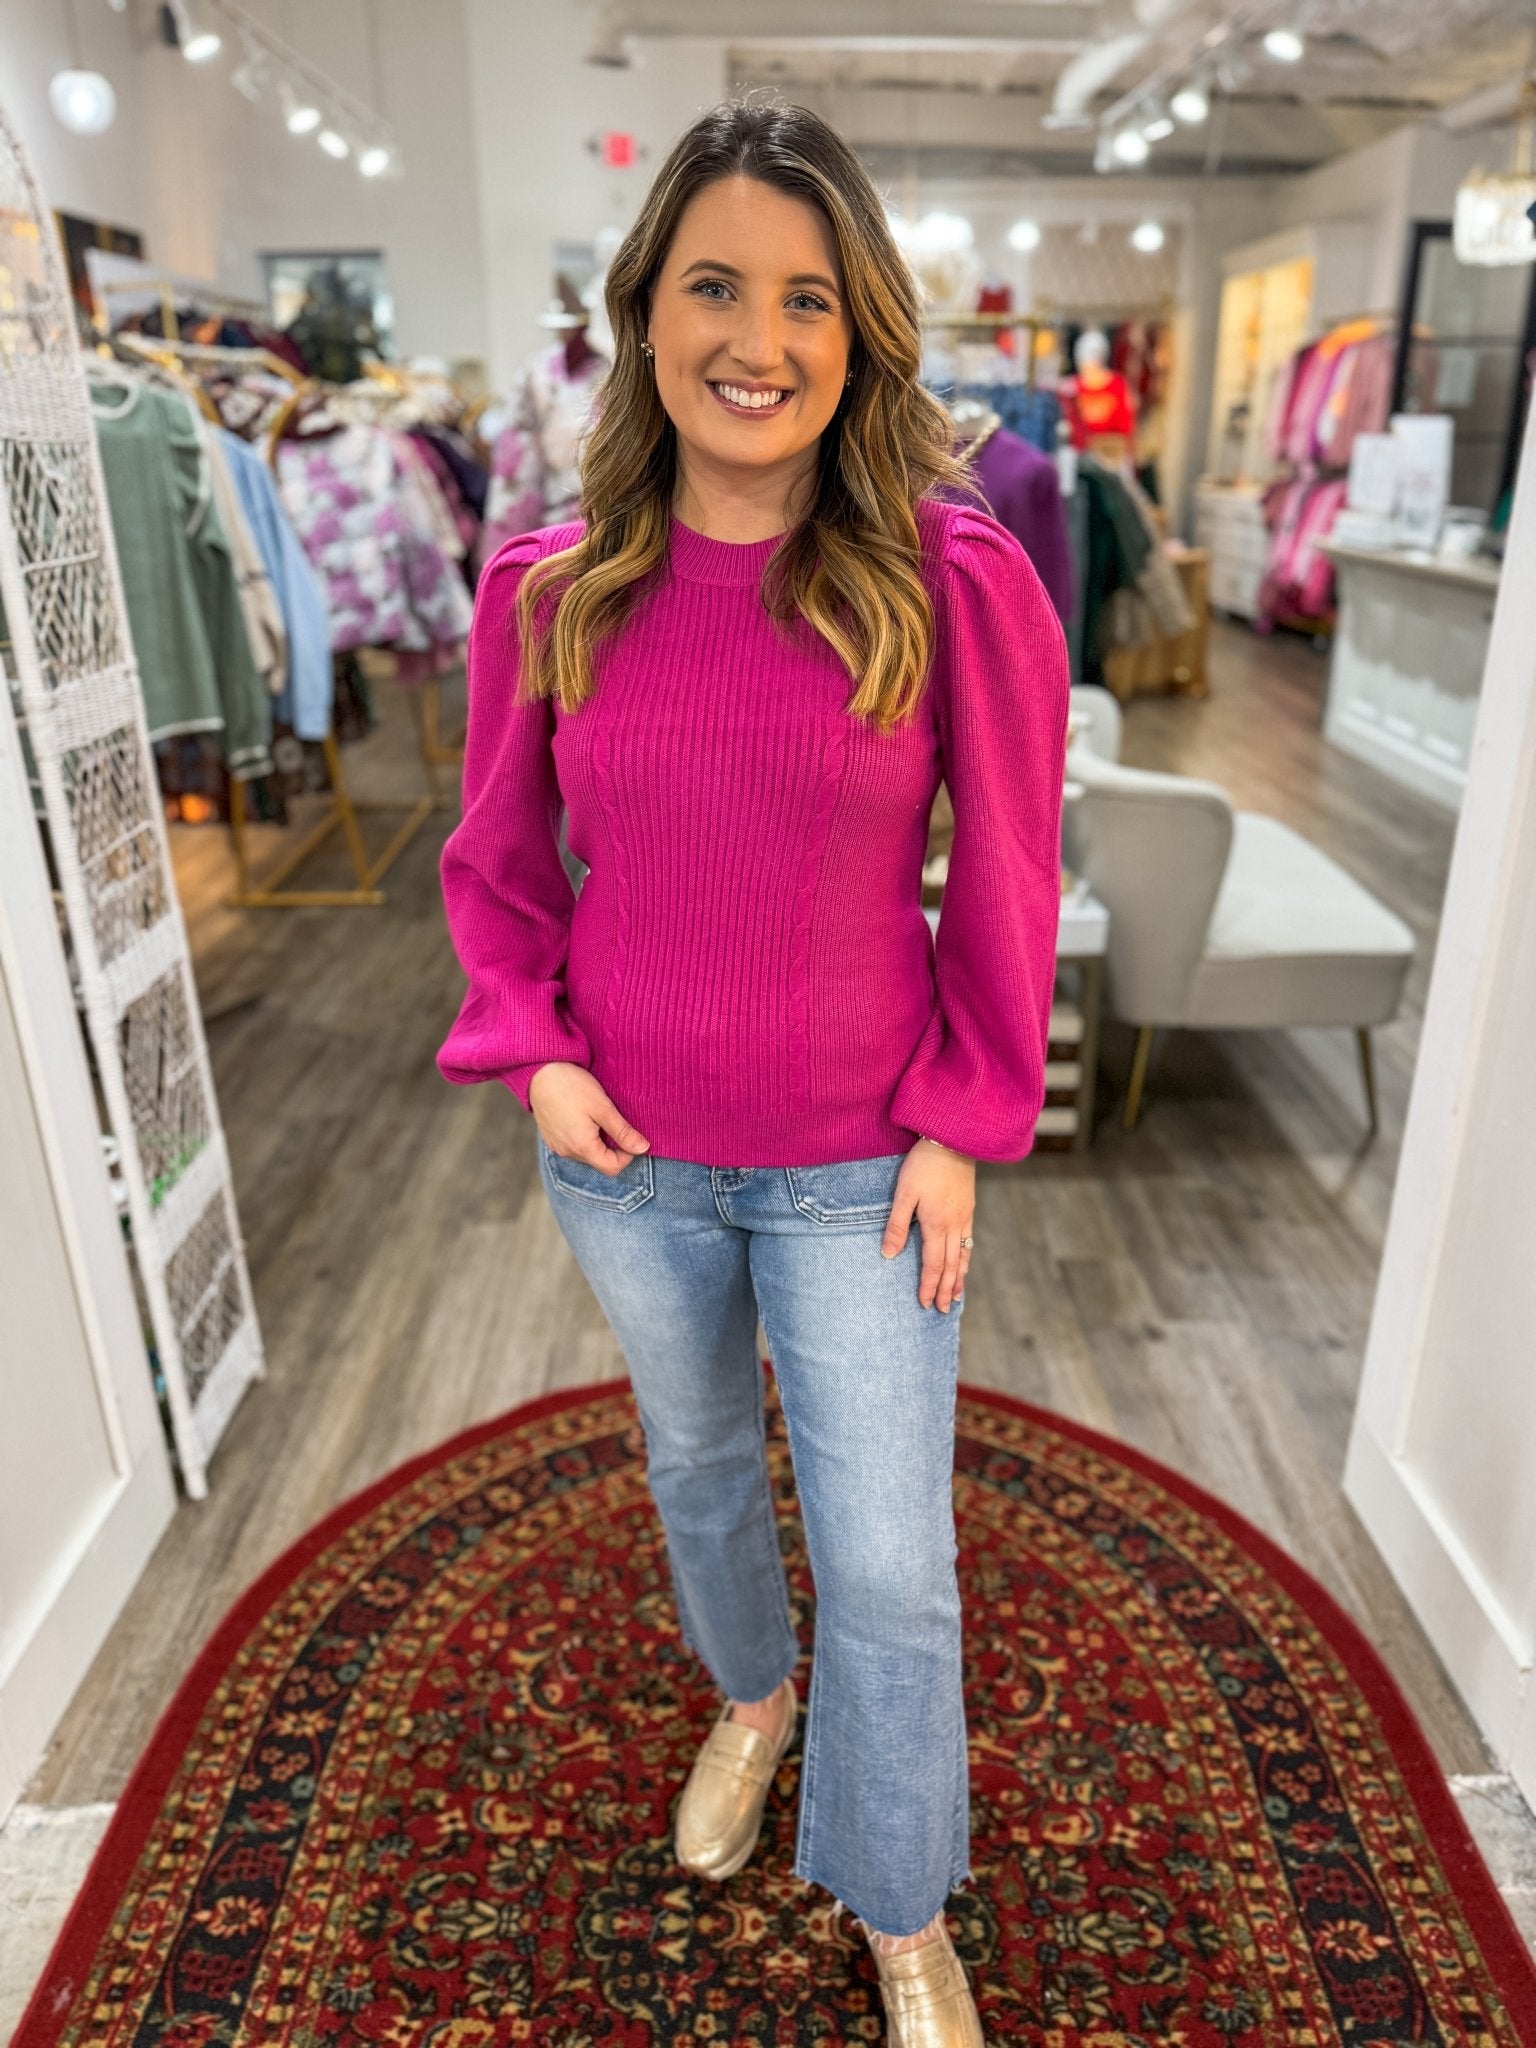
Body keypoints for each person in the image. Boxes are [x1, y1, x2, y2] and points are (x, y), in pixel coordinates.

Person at [436, 96, 1069, 2047]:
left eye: (808, 299)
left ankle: (898, 1895)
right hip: (626, 1154)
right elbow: (497, 864)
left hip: (862, 1164)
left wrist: (965, 1121)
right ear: (645, 310)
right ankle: (752, 1696)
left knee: (891, 1562)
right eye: (715, 285)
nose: (758, 338)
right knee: (702, 1465)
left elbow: (1011, 875)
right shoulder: (550, 587)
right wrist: (533, 1053)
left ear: (859, 333)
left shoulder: (948, 578)